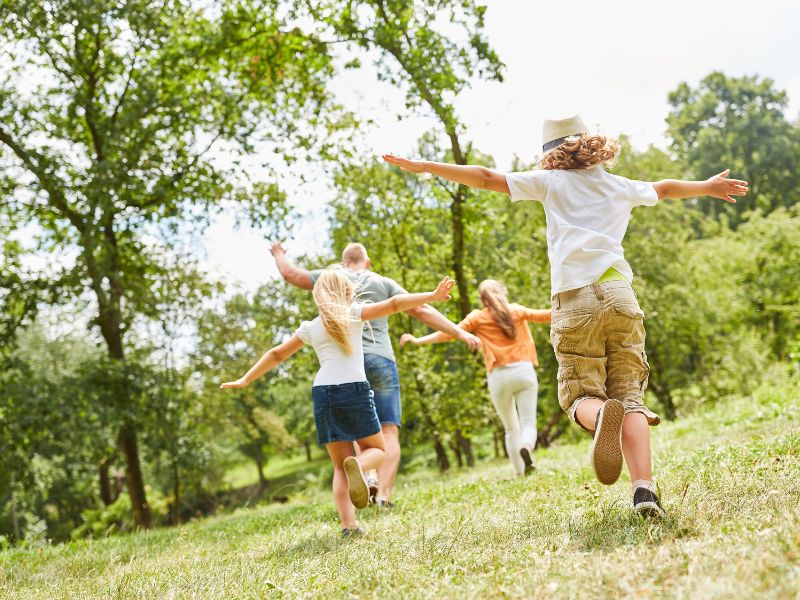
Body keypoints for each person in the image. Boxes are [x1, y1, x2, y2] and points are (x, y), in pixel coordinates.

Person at [383, 114, 748, 517]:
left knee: (578, 395)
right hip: (620, 295)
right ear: (591, 145)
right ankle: (644, 491)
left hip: (575, 300)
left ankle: (598, 416)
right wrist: (708, 186)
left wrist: (427, 167)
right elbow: (662, 188)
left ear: (551, 155)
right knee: (630, 398)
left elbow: (486, 176)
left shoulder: (551, 183)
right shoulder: (618, 185)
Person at [220, 270, 456, 536]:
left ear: (318, 296)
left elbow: (276, 354)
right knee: (377, 450)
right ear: (347, 292)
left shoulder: (310, 327)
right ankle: (361, 466)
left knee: (338, 466)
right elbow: (394, 304)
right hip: (354, 389)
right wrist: (432, 296)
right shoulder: (354, 313)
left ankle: (348, 525)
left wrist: (245, 379)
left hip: (323, 393)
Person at [270, 241, 480, 508]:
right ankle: (384, 495)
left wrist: (278, 254)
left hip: (346, 367)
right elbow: (418, 309)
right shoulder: (382, 281)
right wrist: (459, 332)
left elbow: (292, 275)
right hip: (381, 360)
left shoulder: (330, 278)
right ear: (367, 262)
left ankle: (367, 476)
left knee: (360, 430)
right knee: (388, 431)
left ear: (343, 261)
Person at [400, 279, 551, 477]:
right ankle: (526, 446)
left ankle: (519, 473)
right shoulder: (516, 311)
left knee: (510, 428)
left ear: (482, 299)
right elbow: (548, 315)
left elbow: (449, 332)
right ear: (502, 292)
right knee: (528, 424)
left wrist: (418, 340)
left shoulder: (478, 318)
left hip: (498, 376)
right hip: (523, 371)